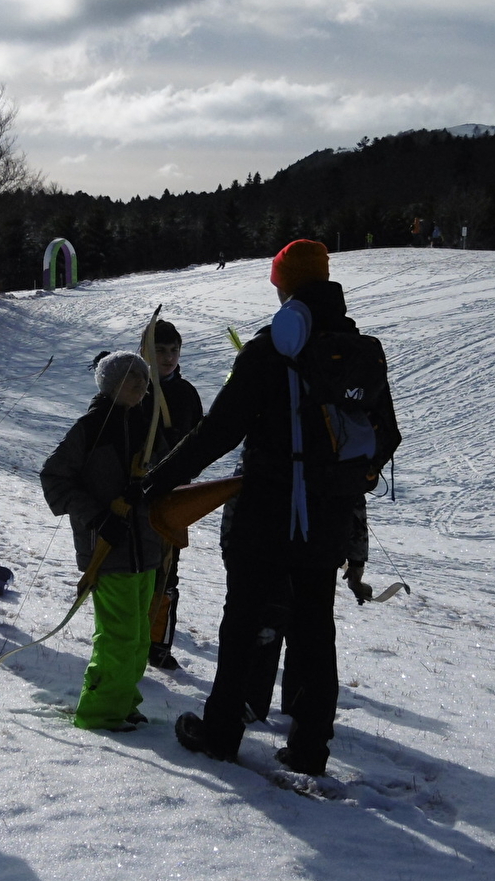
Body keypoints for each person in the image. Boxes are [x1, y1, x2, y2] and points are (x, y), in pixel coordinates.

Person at [143, 239, 400, 776]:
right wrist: (341, 482)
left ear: (285, 285)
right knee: (314, 628)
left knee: (242, 622)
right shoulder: (361, 350)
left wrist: (158, 484)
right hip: (327, 518)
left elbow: (216, 433)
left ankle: (220, 734)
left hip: (264, 515)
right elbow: (387, 435)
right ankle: (310, 750)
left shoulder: (267, 352)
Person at [40, 351, 162, 732]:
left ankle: (123, 701)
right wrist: (99, 516)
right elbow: (55, 479)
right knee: (118, 636)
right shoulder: (90, 427)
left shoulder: (149, 425)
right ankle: (99, 712)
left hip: (148, 546)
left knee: (140, 635)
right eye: (131, 378)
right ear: (110, 384)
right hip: (108, 548)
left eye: (144, 378)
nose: (141, 385)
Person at [245, 501, 370, 723]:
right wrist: (356, 560)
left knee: (301, 636)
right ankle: (262, 707)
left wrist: (357, 561)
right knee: (275, 631)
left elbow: (353, 496)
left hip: (306, 550)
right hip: (295, 549)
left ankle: (297, 716)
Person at [145, 320, 204, 671]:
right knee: (134, 570)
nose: (168, 358)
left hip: (172, 498)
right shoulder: (133, 387)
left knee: (167, 573)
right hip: (135, 496)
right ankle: (131, 638)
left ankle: (159, 644)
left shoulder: (186, 394)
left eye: (173, 351)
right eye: (160, 351)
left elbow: (198, 446)